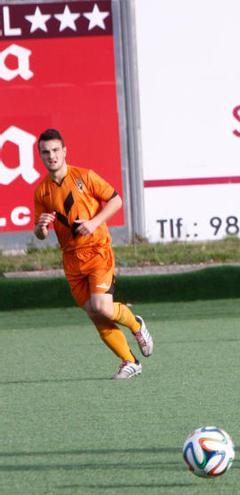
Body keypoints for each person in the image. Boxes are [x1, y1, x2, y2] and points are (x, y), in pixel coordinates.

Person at [32, 128, 153, 380]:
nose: (51, 156)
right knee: (93, 312)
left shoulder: (84, 176)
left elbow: (116, 200)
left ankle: (136, 324)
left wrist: (95, 222)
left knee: (102, 307)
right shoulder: (41, 192)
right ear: (40, 156)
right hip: (71, 259)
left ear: (64, 151)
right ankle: (130, 361)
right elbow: (40, 234)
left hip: (97, 251)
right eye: (46, 152)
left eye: (55, 150)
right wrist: (41, 227)